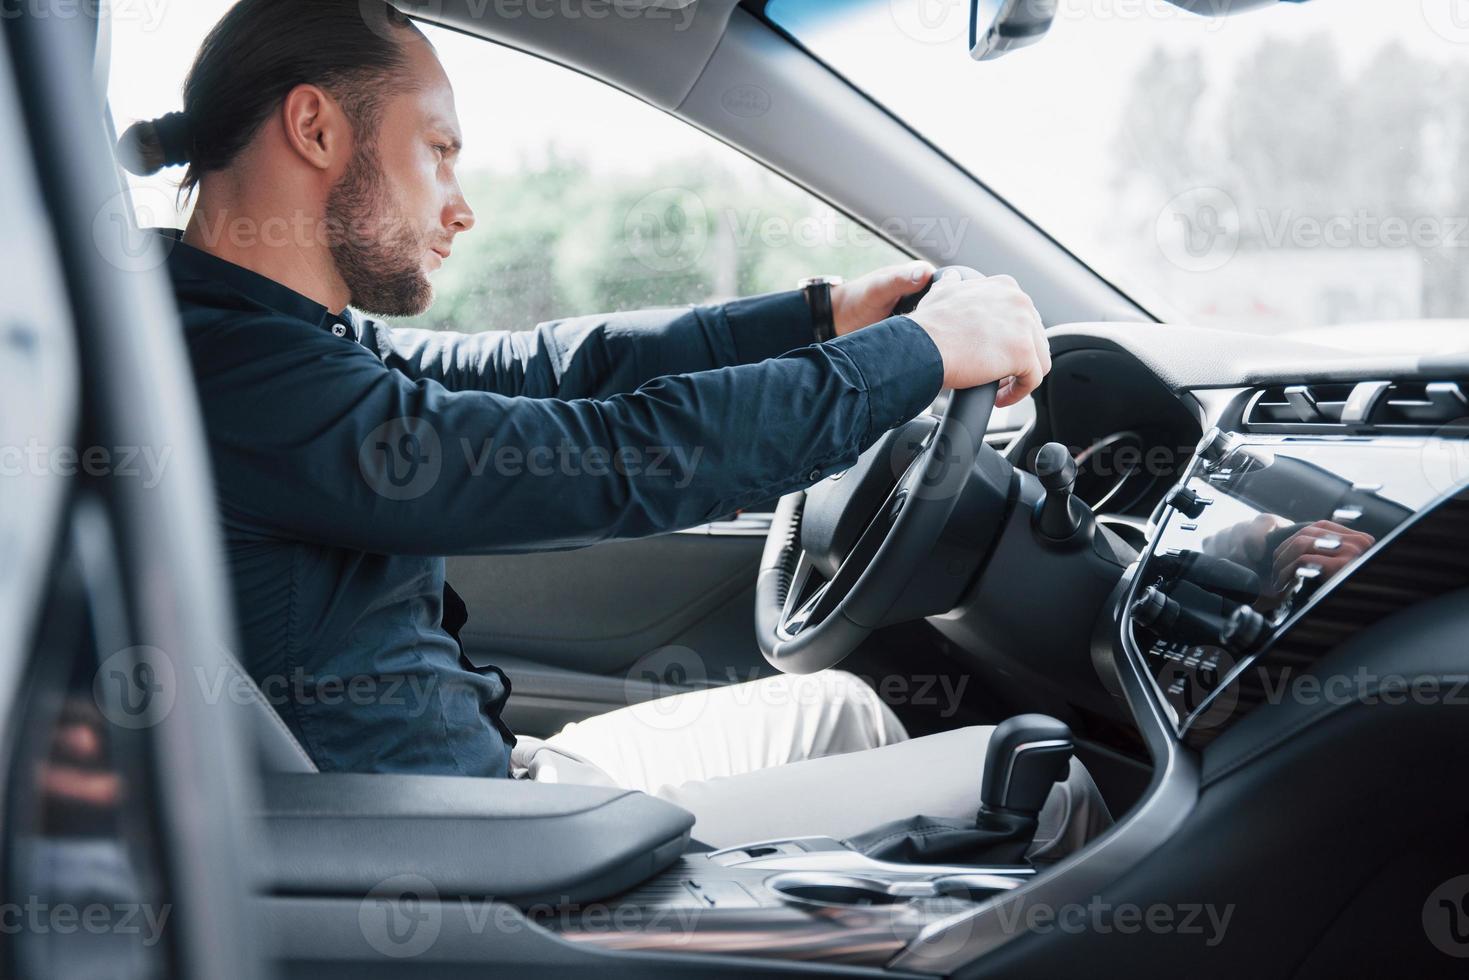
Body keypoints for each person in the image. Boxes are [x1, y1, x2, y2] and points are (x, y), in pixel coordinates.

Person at [117, 0, 1106, 853]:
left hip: (476, 787)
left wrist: (823, 315)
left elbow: (554, 368)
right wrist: (924, 355)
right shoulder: (237, 371)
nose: (461, 208)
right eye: (439, 151)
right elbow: (611, 455)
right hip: (461, 847)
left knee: (843, 710)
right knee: (1043, 786)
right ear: (317, 129)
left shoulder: (268, 334)